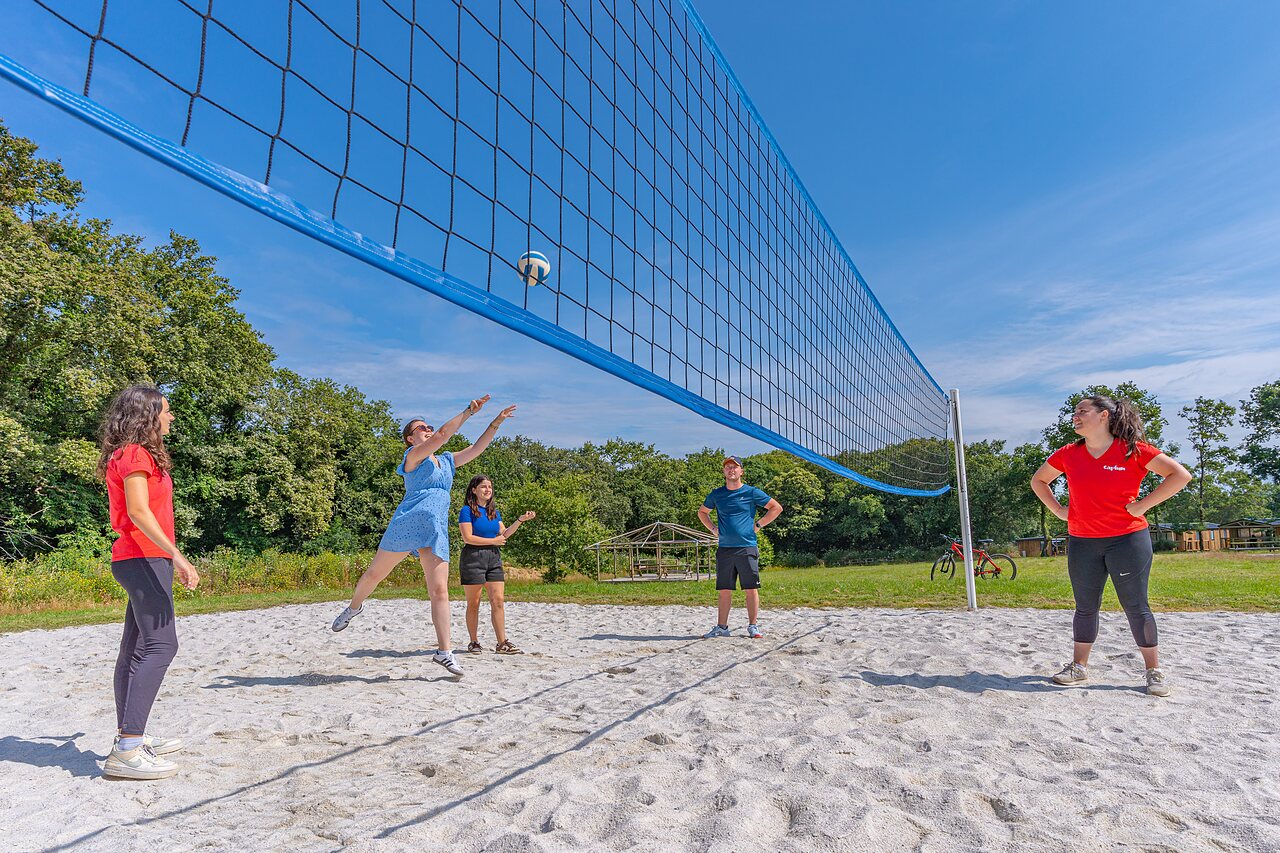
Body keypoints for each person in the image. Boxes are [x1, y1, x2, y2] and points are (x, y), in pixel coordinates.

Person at [330, 396, 516, 678]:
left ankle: (444, 652)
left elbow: (478, 448)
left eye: (428, 425)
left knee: (440, 592)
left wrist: (496, 422)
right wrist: (467, 412)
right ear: (410, 438)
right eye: (421, 427)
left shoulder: (446, 461)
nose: (428, 428)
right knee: (373, 575)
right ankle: (353, 608)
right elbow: (442, 435)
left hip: (435, 529)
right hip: (408, 523)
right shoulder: (412, 458)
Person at [1031, 395, 1192, 696]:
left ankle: (1153, 672)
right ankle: (1079, 667)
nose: (1075, 417)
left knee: (1136, 606)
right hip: (1082, 541)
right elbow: (1039, 481)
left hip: (1127, 540)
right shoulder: (1068, 453)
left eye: (1082, 412)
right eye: (1074, 412)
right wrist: (1058, 510)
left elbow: (1179, 475)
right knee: (1085, 607)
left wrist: (1143, 505)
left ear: (1104, 415)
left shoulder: (1133, 450)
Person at [98, 385, 200, 780]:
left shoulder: (127, 454)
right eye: (167, 412)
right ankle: (128, 747)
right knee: (161, 645)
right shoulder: (134, 453)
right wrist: (177, 556)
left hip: (137, 558)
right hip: (143, 557)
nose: (171, 418)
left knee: (136, 649)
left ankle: (129, 737)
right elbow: (139, 512)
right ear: (148, 415)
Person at [697, 455, 782, 639]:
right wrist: (713, 528)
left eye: (734, 467)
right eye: (727, 467)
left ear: (741, 471)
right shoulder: (717, 494)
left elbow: (776, 508)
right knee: (724, 590)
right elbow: (702, 512)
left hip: (747, 547)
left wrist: (758, 525)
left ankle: (753, 626)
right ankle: (722, 627)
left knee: (751, 589)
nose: (731, 470)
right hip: (725, 548)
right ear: (724, 472)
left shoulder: (751, 492)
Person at [457, 474, 536, 655]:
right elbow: (467, 538)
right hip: (473, 558)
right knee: (473, 603)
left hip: (493, 558)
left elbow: (504, 534)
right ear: (474, 490)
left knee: (498, 601)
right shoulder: (467, 511)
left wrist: (520, 520)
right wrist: (493, 541)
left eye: (490, 487)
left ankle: (502, 643)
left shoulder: (494, 512)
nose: (488, 490)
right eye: (484, 487)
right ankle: (474, 641)